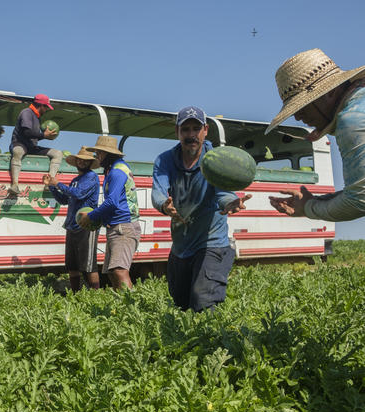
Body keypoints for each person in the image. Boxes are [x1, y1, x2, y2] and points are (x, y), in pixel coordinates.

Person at [151, 106, 251, 312]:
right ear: (177, 131)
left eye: (196, 128)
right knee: (181, 303)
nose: (191, 135)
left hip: (211, 242)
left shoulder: (215, 160)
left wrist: (231, 202)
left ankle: (213, 342)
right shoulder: (165, 160)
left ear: (205, 130)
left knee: (203, 300)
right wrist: (164, 205)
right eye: (185, 129)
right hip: (181, 244)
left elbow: (222, 192)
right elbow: (158, 191)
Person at [265, 48, 365, 221]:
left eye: (302, 107)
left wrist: (309, 208)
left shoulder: (351, 120)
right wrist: (316, 201)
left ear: (330, 92)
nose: (298, 116)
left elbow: (359, 201)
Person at [77, 136, 141, 290]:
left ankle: (132, 307)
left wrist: (91, 216)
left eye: (99, 153)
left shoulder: (117, 172)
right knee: (112, 272)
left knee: (119, 270)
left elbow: (112, 202)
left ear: (108, 154)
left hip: (123, 227)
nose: (97, 157)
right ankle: (121, 306)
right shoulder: (114, 170)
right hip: (117, 227)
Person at [43, 147, 101, 291]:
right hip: (72, 225)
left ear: (89, 163)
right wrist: (52, 187)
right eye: (79, 159)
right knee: (72, 265)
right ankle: (76, 294)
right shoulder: (75, 180)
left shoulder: (92, 177)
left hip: (86, 225)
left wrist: (57, 184)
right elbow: (64, 200)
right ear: (76, 162)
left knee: (89, 265)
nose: (81, 162)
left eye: (85, 160)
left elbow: (79, 194)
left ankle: (97, 295)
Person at [9, 94, 63, 194]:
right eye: (46, 107)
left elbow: (34, 137)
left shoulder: (37, 117)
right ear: (41, 105)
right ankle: (15, 185)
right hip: (20, 143)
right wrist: (44, 135)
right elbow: (27, 133)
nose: (46, 110)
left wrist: (45, 136)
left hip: (31, 146)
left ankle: (49, 184)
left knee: (58, 154)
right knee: (18, 152)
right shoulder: (27, 113)